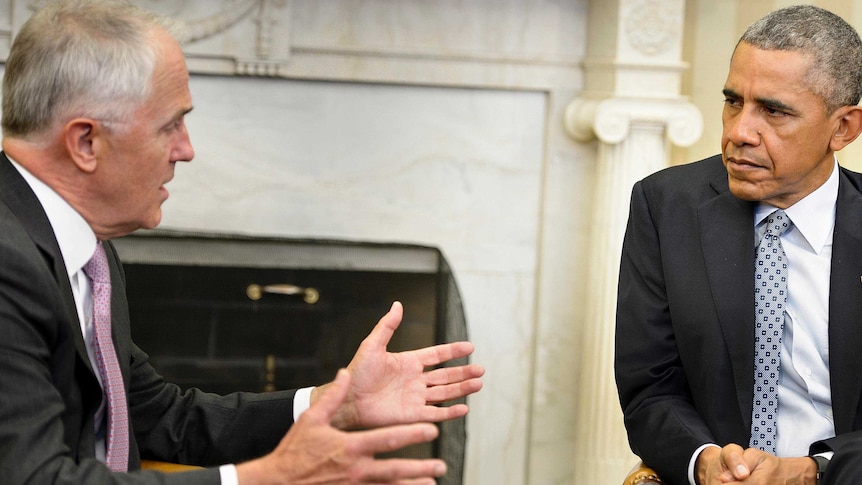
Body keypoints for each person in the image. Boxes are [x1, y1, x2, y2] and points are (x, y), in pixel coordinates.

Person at [0, 1, 484, 484]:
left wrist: (332, 403)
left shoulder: (87, 250)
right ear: (85, 142)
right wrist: (267, 478)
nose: (186, 151)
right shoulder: (8, 261)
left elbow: (154, 414)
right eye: (170, 125)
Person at [614, 5, 862, 485]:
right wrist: (706, 462)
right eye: (733, 102)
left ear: (843, 128)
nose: (738, 132)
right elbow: (649, 390)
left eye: (773, 111)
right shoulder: (666, 206)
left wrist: (810, 473)